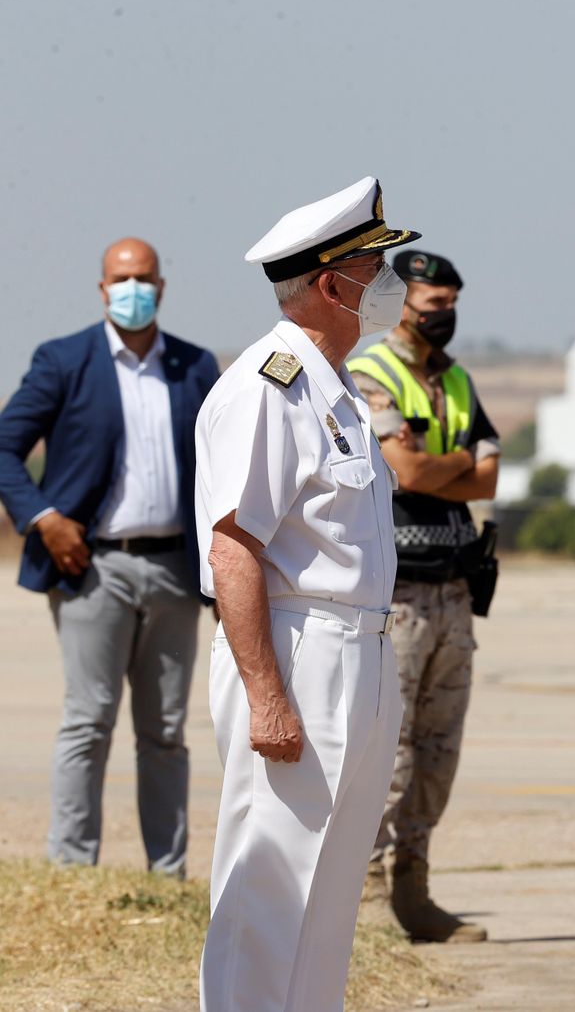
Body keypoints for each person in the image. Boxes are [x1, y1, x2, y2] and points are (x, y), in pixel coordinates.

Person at [195, 177, 417, 1010]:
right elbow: (233, 543)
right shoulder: (269, 385)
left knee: (324, 904)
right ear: (332, 283)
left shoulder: (336, 391)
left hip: (356, 652)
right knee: (270, 892)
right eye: (376, 265)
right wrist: (267, 696)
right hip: (296, 654)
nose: (388, 282)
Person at [0, 238, 217, 877]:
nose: (133, 289)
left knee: (166, 731)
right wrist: (44, 520)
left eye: (144, 277)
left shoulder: (194, 366)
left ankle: (168, 875)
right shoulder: (64, 361)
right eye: (122, 279)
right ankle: (71, 872)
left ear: (162, 286)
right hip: (90, 567)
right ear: (101, 289)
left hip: (176, 569)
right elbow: (5, 449)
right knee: (89, 720)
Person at [348, 249, 499, 942]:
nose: (444, 318)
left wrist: (447, 470)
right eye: (432, 306)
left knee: (439, 751)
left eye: (450, 306)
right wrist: (453, 465)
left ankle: (415, 888)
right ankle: (372, 896)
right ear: (401, 304)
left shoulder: (458, 382)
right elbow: (400, 470)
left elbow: (489, 478)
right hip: (397, 591)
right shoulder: (368, 375)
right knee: (392, 748)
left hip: (453, 592)